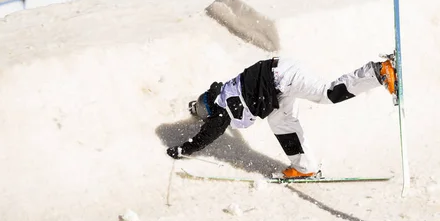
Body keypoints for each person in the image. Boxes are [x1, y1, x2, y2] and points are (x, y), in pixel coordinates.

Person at [166, 55, 397, 178]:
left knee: (328, 93)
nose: (208, 119)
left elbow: (211, 132)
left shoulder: (220, 111)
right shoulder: (220, 93)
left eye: (206, 115)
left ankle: (378, 71)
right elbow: (207, 112)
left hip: (283, 77)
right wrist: (195, 109)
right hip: (277, 84)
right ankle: (304, 167)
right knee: (280, 122)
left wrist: (186, 149)